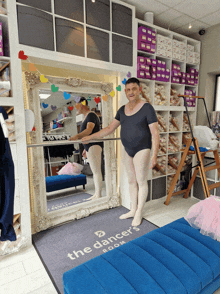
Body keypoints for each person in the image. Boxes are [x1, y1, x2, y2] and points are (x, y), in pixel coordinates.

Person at [81, 77, 159, 226]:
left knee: (141, 181)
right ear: (125, 91)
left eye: (134, 89)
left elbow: (155, 132)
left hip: (142, 148)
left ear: (139, 90)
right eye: (128, 90)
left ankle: (139, 212)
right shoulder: (122, 110)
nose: (131, 92)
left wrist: (154, 155)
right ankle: (133, 209)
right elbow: (109, 129)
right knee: (131, 180)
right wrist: (90, 137)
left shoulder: (147, 108)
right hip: (127, 149)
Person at [69, 97, 103, 200]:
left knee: (96, 171)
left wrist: (77, 136)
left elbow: (89, 130)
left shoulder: (91, 115)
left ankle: (98, 195)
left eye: (77, 105)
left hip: (94, 145)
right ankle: (97, 194)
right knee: (94, 171)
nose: (76, 108)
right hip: (89, 146)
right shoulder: (85, 117)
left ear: (82, 104)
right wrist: (85, 148)